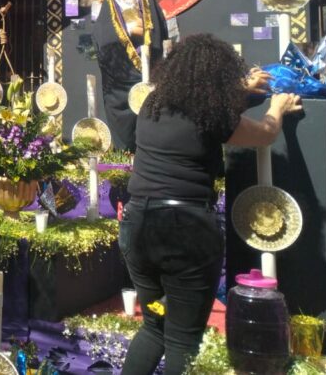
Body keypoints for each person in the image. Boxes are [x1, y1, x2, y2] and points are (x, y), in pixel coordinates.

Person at [119, 34, 302, 375]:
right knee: (183, 341)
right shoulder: (210, 114)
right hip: (184, 232)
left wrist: (243, 90)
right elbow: (264, 133)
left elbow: (206, 112)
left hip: (137, 226)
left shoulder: (152, 104)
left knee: (154, 328)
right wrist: (276, 108)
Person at [93, 0, 168, 151]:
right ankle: (126, 154)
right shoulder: (110, 6)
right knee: (122, 118)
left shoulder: (146, 2)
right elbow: (102, 38)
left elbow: (159, 33)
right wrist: (130, 30)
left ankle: (151, 152)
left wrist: (144, 32)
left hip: (148, 70)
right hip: (120, 77)